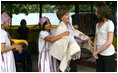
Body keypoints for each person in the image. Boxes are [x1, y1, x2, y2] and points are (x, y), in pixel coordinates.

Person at [93, 3, 116, 72]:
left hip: (108, 54)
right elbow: (96, 38)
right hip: (99, 54)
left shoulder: (110, 23)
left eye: (97, 11)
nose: (95, 13)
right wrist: (94, 51)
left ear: (102, 11)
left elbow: (109, 41)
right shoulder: (97, 24)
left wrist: (97, 51)